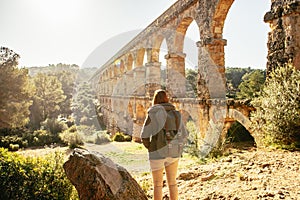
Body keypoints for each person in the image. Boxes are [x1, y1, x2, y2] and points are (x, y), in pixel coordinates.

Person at [141, 89, 187, 200]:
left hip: (157, 153)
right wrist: (178, 148)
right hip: (173, 152)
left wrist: (151, 147)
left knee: (157, 185)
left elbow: (144, 135)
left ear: (155, 100)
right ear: (167, 99)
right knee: (172, 183)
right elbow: (184, 134)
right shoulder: (176, 114)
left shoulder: (152, 113)